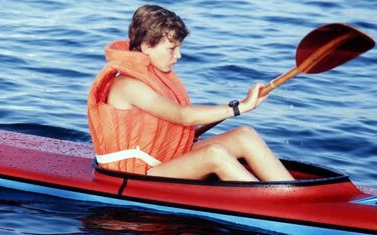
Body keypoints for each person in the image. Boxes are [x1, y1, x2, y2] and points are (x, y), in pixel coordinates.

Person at [88, 5, 294, 182]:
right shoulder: (127, 85)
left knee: (244, 135)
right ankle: (276, 206)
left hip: (163, 159)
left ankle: (294, 195)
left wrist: (243, 103)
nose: (178, 55)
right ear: (146, 46)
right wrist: (239, 108)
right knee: (215, 154)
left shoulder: (154, 74)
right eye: (171, 48)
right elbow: (182, 116)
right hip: (138, 173)